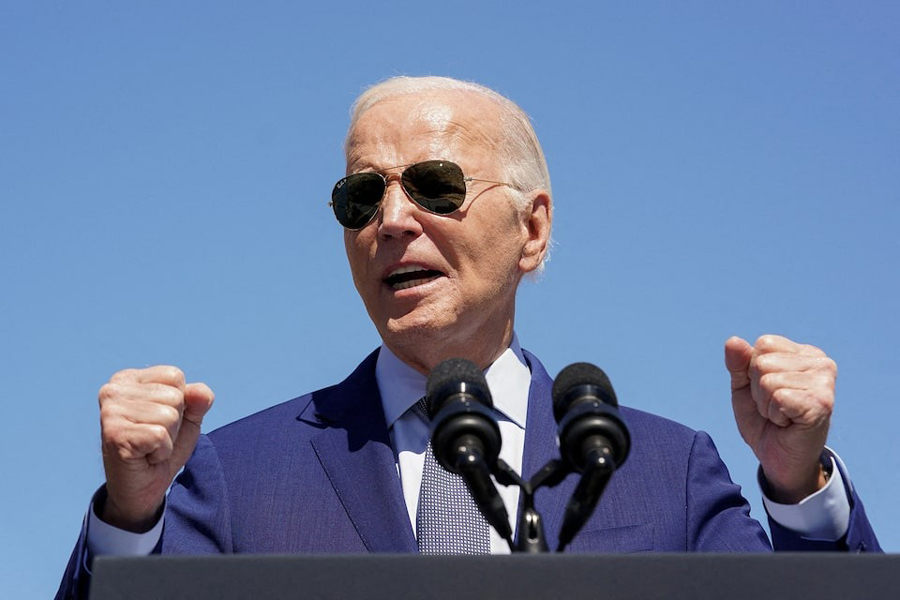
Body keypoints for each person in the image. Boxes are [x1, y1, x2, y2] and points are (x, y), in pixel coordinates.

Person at [56, 76, 880, 598]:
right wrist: (129, 519)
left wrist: (800, 488)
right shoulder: (235, 475)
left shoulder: (666, 470)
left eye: (434, 186)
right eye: (360, 197)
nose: (391, 221)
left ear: (533, 229)